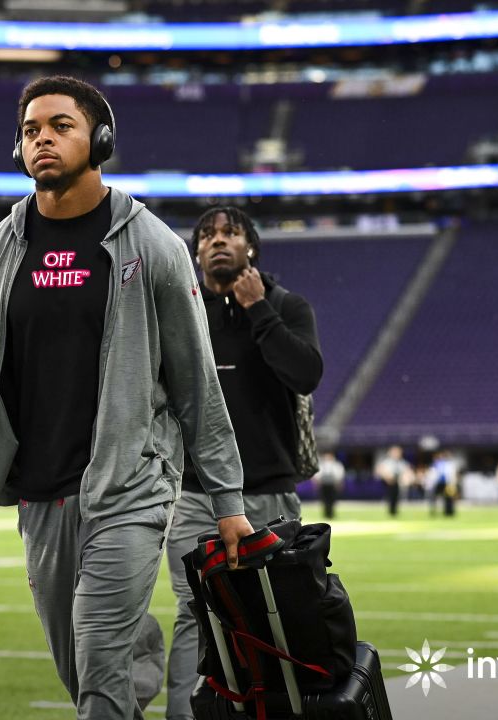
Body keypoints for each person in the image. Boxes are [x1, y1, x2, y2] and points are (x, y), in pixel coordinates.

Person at [0, 76, 253, 720]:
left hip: (131, 486)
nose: (42, 139)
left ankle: (123, 659)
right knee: (81, 667)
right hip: (42, 493)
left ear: (100, 138)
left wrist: (227, 502)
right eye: (29, 131)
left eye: (60, 126)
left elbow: (196, 383)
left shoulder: (154, 246)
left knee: (100, 659)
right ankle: (133, 661)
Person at [163, 206, 323, 720]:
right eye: (207, 234)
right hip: (194, 494)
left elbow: (305, 374)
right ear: (195, 252)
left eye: (231, 233)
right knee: (195, 615)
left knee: (282, 617)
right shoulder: (180, 311)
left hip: (269, 493)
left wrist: (258, 310)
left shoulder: (285, 305)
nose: (218, 241)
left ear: (251, 247)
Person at [376, 445, 410, 517]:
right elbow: (380, 470)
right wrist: (387, 477)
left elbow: (406, 471)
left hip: (397, 482)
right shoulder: (387, 462)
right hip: (388, 482)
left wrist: (405, 478)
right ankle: (390, 511)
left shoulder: (401, 462)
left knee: (396, 496)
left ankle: (394, 511)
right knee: (390, 496)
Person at [315, 451, 346, 520]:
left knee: (332, 500)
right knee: (324, 500)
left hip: (332, 484)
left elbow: (340, 474)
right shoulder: (322, 465)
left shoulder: (337, 464)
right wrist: (317, 483)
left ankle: (331, 514)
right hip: (324, 484)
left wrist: (339, 483)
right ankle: (326, 514)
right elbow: (317, 475)